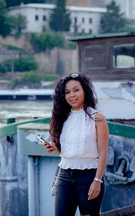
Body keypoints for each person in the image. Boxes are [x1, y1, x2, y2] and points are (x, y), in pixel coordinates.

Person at [44, 72, 109, 216]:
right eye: (67, 92)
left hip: (89, 175)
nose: (72, 95)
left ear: (85, 91)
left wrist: (97, 180)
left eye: (76, 90)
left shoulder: (97, 117)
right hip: (64, 175)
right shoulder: (61, 118)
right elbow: (67, 152)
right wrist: (55, 148)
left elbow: (103, 151)